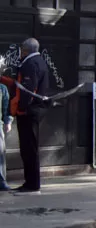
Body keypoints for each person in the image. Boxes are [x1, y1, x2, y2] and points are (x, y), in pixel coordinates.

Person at [13, 39, 53, 193]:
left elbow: (29, 90)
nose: (21, 52)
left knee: (28, 148)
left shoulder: (30, 64)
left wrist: (21, 108)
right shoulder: (40, 61)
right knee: (30, 147)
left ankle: (31, 183)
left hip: (29, 111)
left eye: (22, 49)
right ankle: (31, 182)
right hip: (36, 109)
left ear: (25, 50)